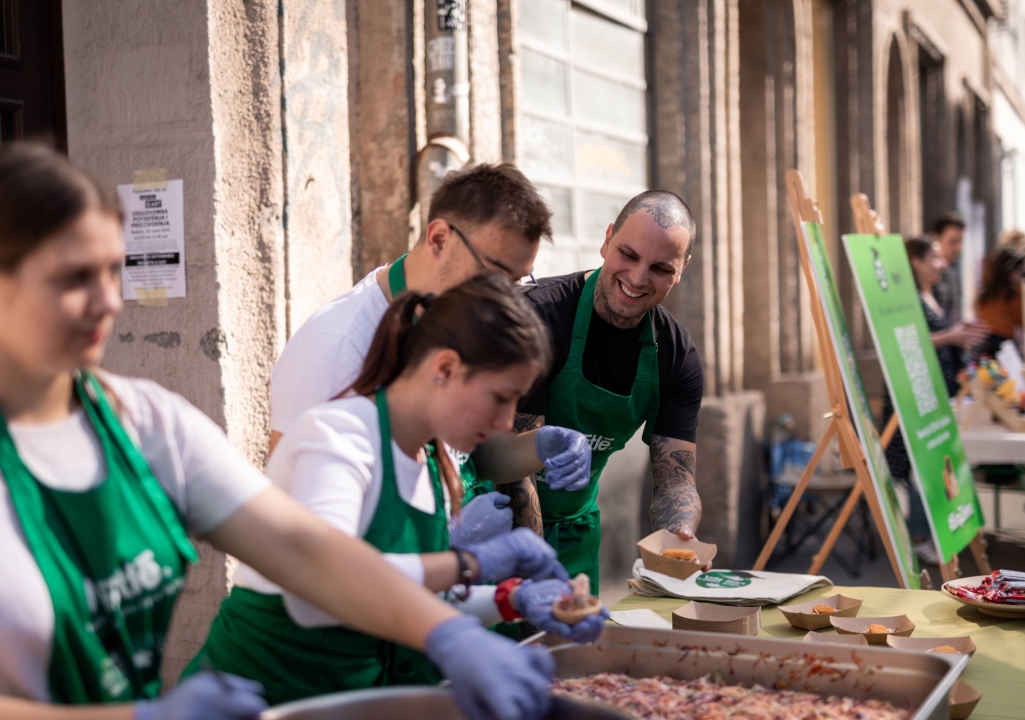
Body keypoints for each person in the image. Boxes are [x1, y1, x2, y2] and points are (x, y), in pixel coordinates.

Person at [0, 142, 556, 720]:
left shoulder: (145, 423)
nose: (109, 301)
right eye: (72, 277)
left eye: (113, 271)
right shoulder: (337, 382)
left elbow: (307, 548)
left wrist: (461, 624)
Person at [188, 275, 608, 705]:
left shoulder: (429, 463)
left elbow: (412, 604)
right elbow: (319, 592)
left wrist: (511, 598)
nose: (506, 422)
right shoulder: (337, 438)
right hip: (263, 700)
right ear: (444, 368)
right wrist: (469, 562)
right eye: (500, 398)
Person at [269, 163, 591, 504]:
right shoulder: (336, 348)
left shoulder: (458, 319)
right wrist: (452, 555)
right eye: (496, 277)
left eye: (517, 283)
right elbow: (294, 519)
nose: (506, 298)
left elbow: (467, 457)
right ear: (439, 238)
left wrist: (537, 446)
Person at [508, 190, 706, 590]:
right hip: (504, 530)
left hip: (576, 535)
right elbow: (514, 474)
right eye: (628, 255)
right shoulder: (537, 320)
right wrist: (532, 581)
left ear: (682, 268)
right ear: (606, 239)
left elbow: (675, 478)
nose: (637, 278)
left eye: (660, 268)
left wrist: (679, 532)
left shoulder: (676, 355)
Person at [882, 238, 987, 565]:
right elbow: (904, 341)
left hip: (932, 394)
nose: (942, 264)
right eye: (935, 258)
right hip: (913, 394)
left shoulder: (934, 294)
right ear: (915, 261)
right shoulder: (907, 298)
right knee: (917, 464)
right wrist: (952, 336)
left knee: (929, 463)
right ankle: (918, 537)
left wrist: (958, 332)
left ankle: (927, 533)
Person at [974, 245, 1025, 358]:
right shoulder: (1012, 293)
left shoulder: (985, 292)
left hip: (981, 345)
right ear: (1009, 272)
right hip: (1003, 346)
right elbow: (1024, 321)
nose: (1021, 276)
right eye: (1020, 271)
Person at [929, 214, 966, 325]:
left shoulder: (953, 269)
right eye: (952, 242)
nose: (958, 248)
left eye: (960, 242)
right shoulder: (926, 275)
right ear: (935, 239)